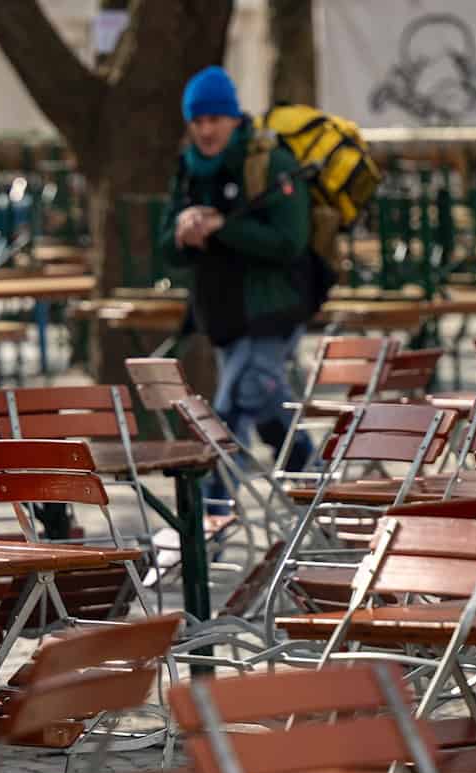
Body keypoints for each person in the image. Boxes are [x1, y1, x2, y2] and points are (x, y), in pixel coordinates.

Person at [160, 64, 316, 506]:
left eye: (214, 118)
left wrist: (221, 228)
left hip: (272, 310)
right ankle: (319, 487)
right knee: (263, 405)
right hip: (223, 315)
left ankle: (212, 515)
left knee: (228, 409)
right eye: (198, 120)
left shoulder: (270, 163)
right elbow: (165, 251)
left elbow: (291, 242)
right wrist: (181, 233)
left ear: (234, 118)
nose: (206, 129)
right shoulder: (189, 171)